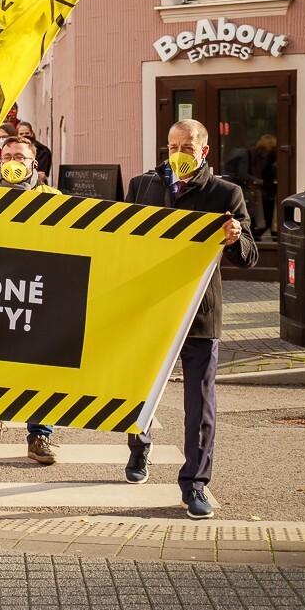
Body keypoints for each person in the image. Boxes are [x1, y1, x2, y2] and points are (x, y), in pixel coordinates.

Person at [124, 119, 258, 520]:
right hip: (150, 309)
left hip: (200, 313)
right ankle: (138, 449)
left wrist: (236, 236)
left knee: (200, 403)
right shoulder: (143, 187)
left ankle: (195, 485)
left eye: (187, 147)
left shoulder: (225, 193)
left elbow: (249, 255)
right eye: (172, 147)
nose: (179, 155)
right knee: (139, 390)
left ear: (204, 152)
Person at [0, 136, 62, 463]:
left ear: (34, 164)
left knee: (40, 369)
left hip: (40, 296)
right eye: (7, 157)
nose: (13, 162)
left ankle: (39, 437)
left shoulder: (55, 199)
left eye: (20, 156)